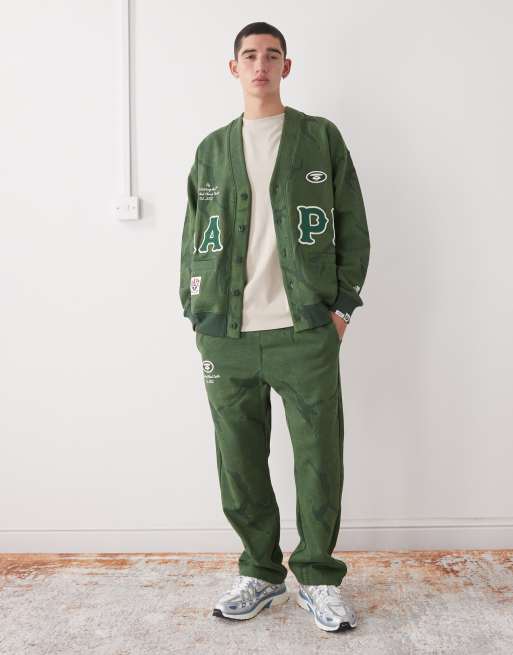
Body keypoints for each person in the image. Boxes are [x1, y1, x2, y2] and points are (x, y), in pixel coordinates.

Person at [179, 21, 370, 633]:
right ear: (233, 67)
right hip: (226, 333)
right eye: (249, 55)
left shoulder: (319, 137)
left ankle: (318, 577)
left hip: (305, 330)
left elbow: (352, 223)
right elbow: (192, 235)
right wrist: (195, 311)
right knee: (238, 460)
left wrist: (341, 308)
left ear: (286, 66)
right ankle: (260, 572)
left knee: (319, 457)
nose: (260, 65)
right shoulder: (212, 148)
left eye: (272, 55)